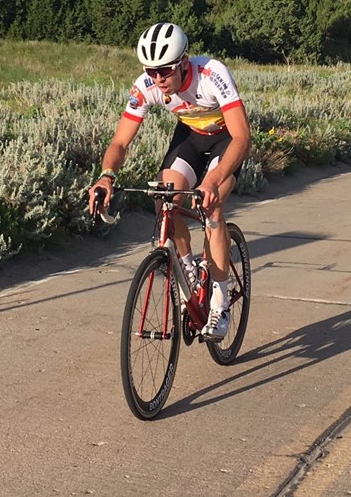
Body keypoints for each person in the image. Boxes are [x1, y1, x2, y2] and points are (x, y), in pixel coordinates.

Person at [88, 21, 252, 341]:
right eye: (151, 71)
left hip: (226, 140)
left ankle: (219, 303)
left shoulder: (212, 74)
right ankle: (188, 266)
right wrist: (106, 176)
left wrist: (213, 180)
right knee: (165, 198)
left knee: (212, 206)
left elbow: (243, 137)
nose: (158, 79)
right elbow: (120, 142)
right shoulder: (146, 85)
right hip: (191, 137)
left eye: (165, 71)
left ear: (184, 62)